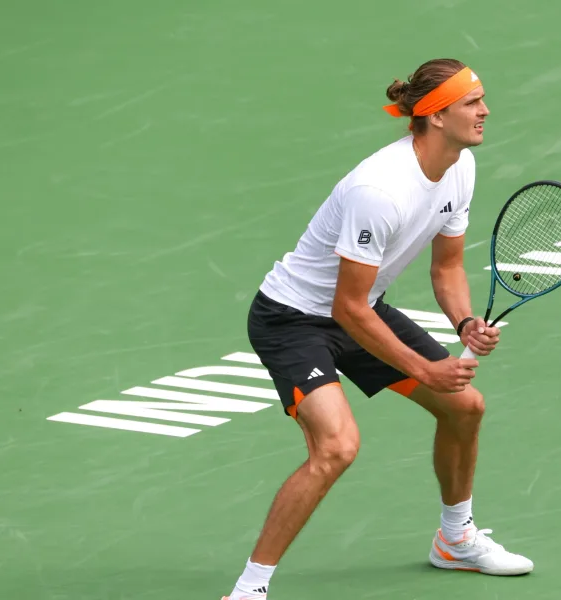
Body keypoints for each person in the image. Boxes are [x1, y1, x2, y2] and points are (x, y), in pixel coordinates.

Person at [221, 58, 534, 600]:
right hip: (294, 319)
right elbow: (346, 307)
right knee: (337, 446)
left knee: (465, 407)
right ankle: (249, 590)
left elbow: (447, 268)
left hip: (359, 308)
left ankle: (456, 540)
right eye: (471, 102)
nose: (485, 110)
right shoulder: (380, 190)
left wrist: (464, 321)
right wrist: (425, 371)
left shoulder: (459, 167)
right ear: (436, 116)